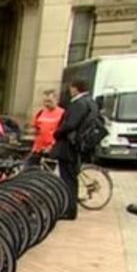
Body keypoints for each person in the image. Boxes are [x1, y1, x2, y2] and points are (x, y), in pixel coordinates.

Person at [52, 79, 99, 220]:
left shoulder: (79, 103)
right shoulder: (90, 102)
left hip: (69, 146)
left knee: (68, 179)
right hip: (78, 145)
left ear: (75, 88)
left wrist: (57, 133)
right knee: (71, 177)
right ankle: (70, 208)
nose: (70, 91)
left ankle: (69, 210)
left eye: (71, 88)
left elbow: (71, 124)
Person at [26, 90, 65, 167]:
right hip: (37, 148)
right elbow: (34, 127)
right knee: (28, 168)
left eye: (49, 101)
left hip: (52, 149)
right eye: (45, 101)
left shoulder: (62, 114)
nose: (47, 104)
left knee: (47, 171)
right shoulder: (40, 112)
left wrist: (53, 145)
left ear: (56, 100)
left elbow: (63, 132)